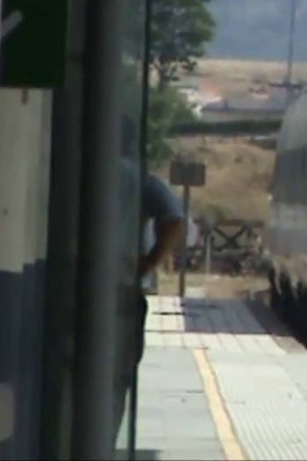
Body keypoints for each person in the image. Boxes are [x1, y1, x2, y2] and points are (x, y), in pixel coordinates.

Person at [116, 117, 186, 436]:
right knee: (118, 374)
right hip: (123, 286)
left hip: (66, 285)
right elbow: (174, 221)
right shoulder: (141, 179)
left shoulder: (72, 169)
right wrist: (149, 262)